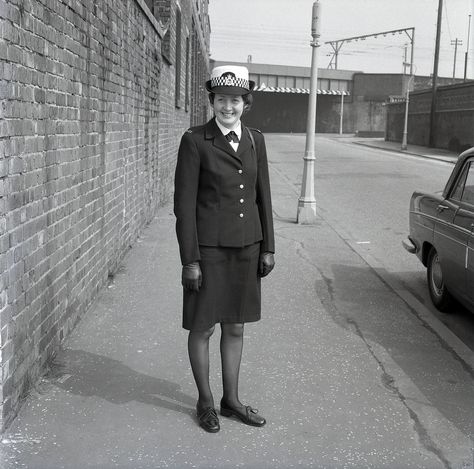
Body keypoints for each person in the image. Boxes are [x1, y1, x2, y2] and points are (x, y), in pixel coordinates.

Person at [174, 65, 275, 433]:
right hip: (210, 251)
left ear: (245, 103)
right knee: (203, 327)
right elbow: (184, 206)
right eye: (221, 100)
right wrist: (191, 260)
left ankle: (230, 400)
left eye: (235, 100)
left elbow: (264, 195)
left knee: (236, 328)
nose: (228, 107)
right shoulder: (195, 140)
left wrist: (269, 248)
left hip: (247, 249)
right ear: (212, 101)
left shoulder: (255, 140)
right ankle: (204, 402)